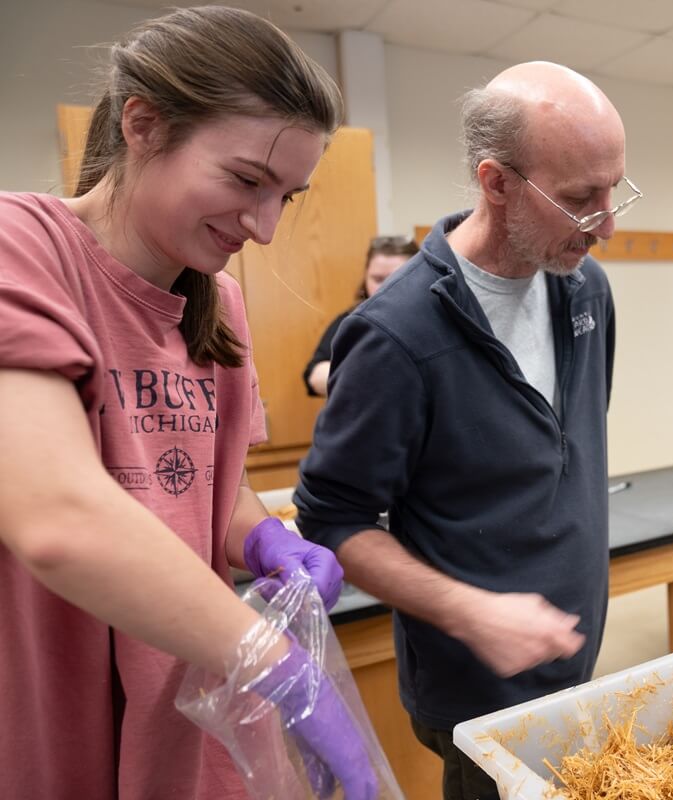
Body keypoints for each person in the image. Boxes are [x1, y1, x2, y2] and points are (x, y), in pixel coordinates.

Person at [0, 7, 378, 799]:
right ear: (143, 124)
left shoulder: (221, 310)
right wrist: (283, 671)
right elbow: (56, 519)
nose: (265, 227)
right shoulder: (22, 249)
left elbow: (212, 489)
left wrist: (267, 541)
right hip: (49, 724)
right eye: (246, 181)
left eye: (288, 196)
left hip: (184, 722)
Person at [295, 60, 636, 800]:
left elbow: (565, 450)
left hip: (570, 656)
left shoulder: (587, 289)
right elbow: (330, 519)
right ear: (497, 181)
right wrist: (470, 610)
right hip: (474, 686)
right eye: (581, 199)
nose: (606, 225)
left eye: (614, 191)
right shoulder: (395, 336)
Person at [303, 234, 418, 396]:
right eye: (377, 279)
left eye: (396, 278)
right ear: (365, 278)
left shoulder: (436, 320)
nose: (385, 287)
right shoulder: (351, 321)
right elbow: (315, 376)